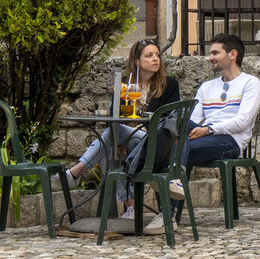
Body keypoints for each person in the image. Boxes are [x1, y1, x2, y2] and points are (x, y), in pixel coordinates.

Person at [53, 39, 179, 218]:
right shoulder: (124, 84)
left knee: (114, 135)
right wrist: (122, 141)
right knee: (110, 148)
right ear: (137, 61)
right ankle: (130, 209)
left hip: (153, 143)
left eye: (157, 55)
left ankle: (75, 173)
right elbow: (112, 117)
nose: (155, 59)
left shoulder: (169, 85)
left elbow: (169, 120)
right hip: (126, 139)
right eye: (149, 55)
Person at [165, 33, 260, 229]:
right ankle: (175, 182)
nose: (210, 57)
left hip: (230, 141)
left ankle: (168, 214)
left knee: (174, 146)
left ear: (232, 54)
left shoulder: (250, 83)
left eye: (215, 53)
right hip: (202, 136)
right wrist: (193, 129)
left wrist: (209, 130)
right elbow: (192, 119)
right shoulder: (206, 87)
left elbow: (243, 121)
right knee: (174, 119)